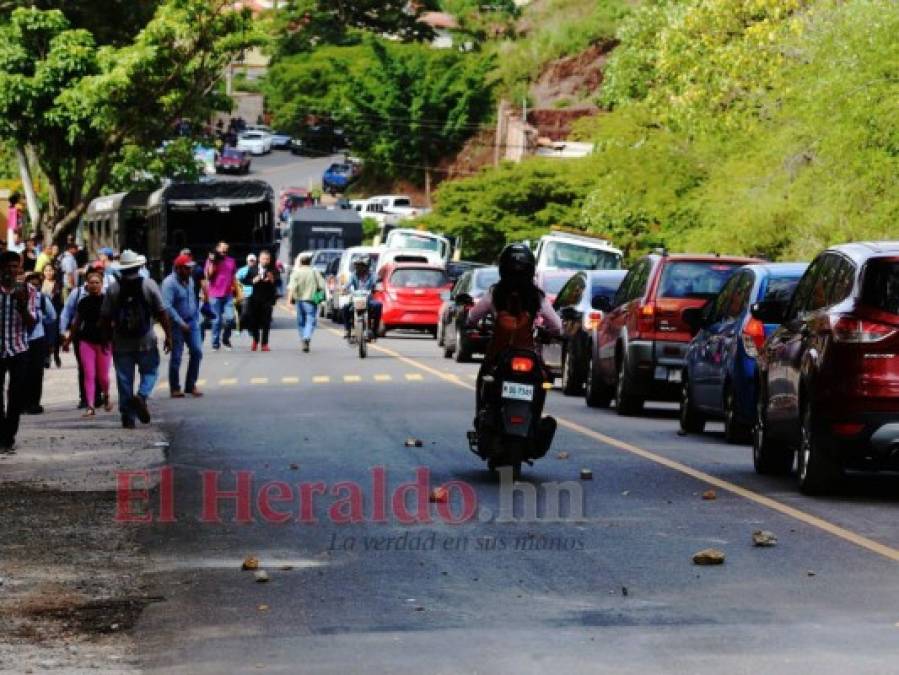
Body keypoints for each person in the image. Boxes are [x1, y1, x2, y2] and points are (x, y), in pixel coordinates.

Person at [467, 244, 562, 413]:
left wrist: (471, 324)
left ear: (502, 268)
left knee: (484, 378)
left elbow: (473, 317)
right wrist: (549, 333)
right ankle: (535, 418)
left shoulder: (495, 293)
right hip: (528, 353)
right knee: (542, 382)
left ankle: (480, 418)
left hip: (498, 354)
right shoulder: (537, 296)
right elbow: (557, 326)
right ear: (531, 269)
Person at [102, 250, 172, 429]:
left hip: (121, 342)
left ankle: (128, 417)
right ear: (139, 266)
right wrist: (168, 336)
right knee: (150, 372)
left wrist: (106, 339)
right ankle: (141, 396)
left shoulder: (113, 289)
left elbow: (105, 317)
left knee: (124, 379)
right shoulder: (149, 285)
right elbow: (162, 313)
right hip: (146, 340)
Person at [0, 251, 37, 451]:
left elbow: (32, 323)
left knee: (16, 396)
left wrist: (21, 306)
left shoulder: (28, 290)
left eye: (16, 266)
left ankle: (9, 436)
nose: (12, 270)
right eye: (8, 266)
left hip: (19, 349)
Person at [63, 270, 112, 417]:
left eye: (97, 283)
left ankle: (106, 395)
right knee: (88, 374)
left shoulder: (108, 301)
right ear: (87, 285)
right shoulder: (83, 302)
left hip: (104, 342)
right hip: (86, 341)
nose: (94, 285)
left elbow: (114, 321)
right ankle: (90, 406)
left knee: (102, 376)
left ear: (102, 285)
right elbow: (76, 323)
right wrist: (68, 340)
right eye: (91, 283)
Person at [161, 254, 203, 398]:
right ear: (178, 269)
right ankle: (175, 387)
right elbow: (167, 306)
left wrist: (197, 317)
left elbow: (193, 299)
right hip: (176, 324)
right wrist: (180, 322)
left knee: (197, 351)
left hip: (192, 321)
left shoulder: (189, 280)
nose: (190, 271)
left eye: (191, 268)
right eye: (187, 268)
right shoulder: (169, 283)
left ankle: (191, 385)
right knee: (177, 356)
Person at [23, 272, 56, 415]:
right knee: (21, 373)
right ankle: (21, 404)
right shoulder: (20, 297)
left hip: (38, 339)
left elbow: (52, 316)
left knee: (37, 372)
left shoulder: (42, 298)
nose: (34, 287)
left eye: (37, 284)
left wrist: (40, 320)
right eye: (31, 284)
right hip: (21, 340)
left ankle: (34, 403)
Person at [287, 252, 325, 352]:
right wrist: (320, 297)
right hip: (311, 300)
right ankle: (306, 337)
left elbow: (291, 287)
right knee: (310, 320)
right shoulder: (314, 272)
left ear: (301, 262)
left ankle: (304, 337)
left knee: (301, 321)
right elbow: (322, 286)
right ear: (310, 262)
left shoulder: (296, 272)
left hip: (299, 300)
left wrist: (289, 301)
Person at [204, 241, 236, 351]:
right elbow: (208, 276)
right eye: (222, 250)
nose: (224, 252)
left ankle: (225, 339)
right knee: (216, 320)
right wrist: (213, 262)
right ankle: (215, 344)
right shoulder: (211, 260)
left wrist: (235, 289)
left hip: (228, 294)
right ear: (217, 249)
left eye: (226, 250)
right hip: (214, 294)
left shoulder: (231, 261)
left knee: (231, 319)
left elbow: (233, 276)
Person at [247, 250, 279, 352]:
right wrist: (253, 280)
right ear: (259, 259)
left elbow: (277, 282)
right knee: (254, 321)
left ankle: (264, 343)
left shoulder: (273, 270)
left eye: (267, 259)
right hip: (255, 299)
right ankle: (255, 340)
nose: (266, 261)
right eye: (264, 258)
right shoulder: (252, 269)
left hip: (268, 299)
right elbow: (245, 280)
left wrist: (271, 279)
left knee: (266, 322)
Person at [343, 258, 381, 340]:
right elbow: (348, 284)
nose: (358, 268)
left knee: (378, 305)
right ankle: (347, 329)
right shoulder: (353, 275)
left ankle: (375, 329)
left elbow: (377, 281)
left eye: (360, 266)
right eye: (357, 266)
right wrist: (344, 288)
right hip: (356, 299)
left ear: (366, 267)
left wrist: (377, 286)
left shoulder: (372, 275)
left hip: (368, 299)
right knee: (345, 307)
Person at [41, 264, 63, 368]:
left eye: (51, 270)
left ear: (54, 272)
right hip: (42, 315)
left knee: (55, 336)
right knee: (44, 336)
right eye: (46, 270)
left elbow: (61, 301)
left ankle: (56, 355)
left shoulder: (58, 284)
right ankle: (46, 356)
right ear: (43, 272)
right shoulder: (40, 284)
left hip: (56, 313)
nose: (48, 272)